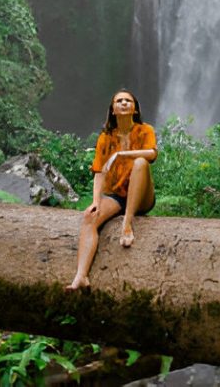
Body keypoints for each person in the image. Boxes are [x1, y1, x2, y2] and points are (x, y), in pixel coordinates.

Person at [67, 90, 157, 290]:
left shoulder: (145, 130)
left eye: (128, 100)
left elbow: (152, 154)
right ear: (113, 110)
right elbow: (99, 172)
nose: (124, 103)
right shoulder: (105, 138)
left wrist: (121, 155)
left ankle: (127, 224)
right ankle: (81, 276)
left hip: (142, 196)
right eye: (119, 101)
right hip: (116, 196)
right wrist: (96, 202)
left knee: (141, 162)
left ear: (134, 108)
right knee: (89, 218)